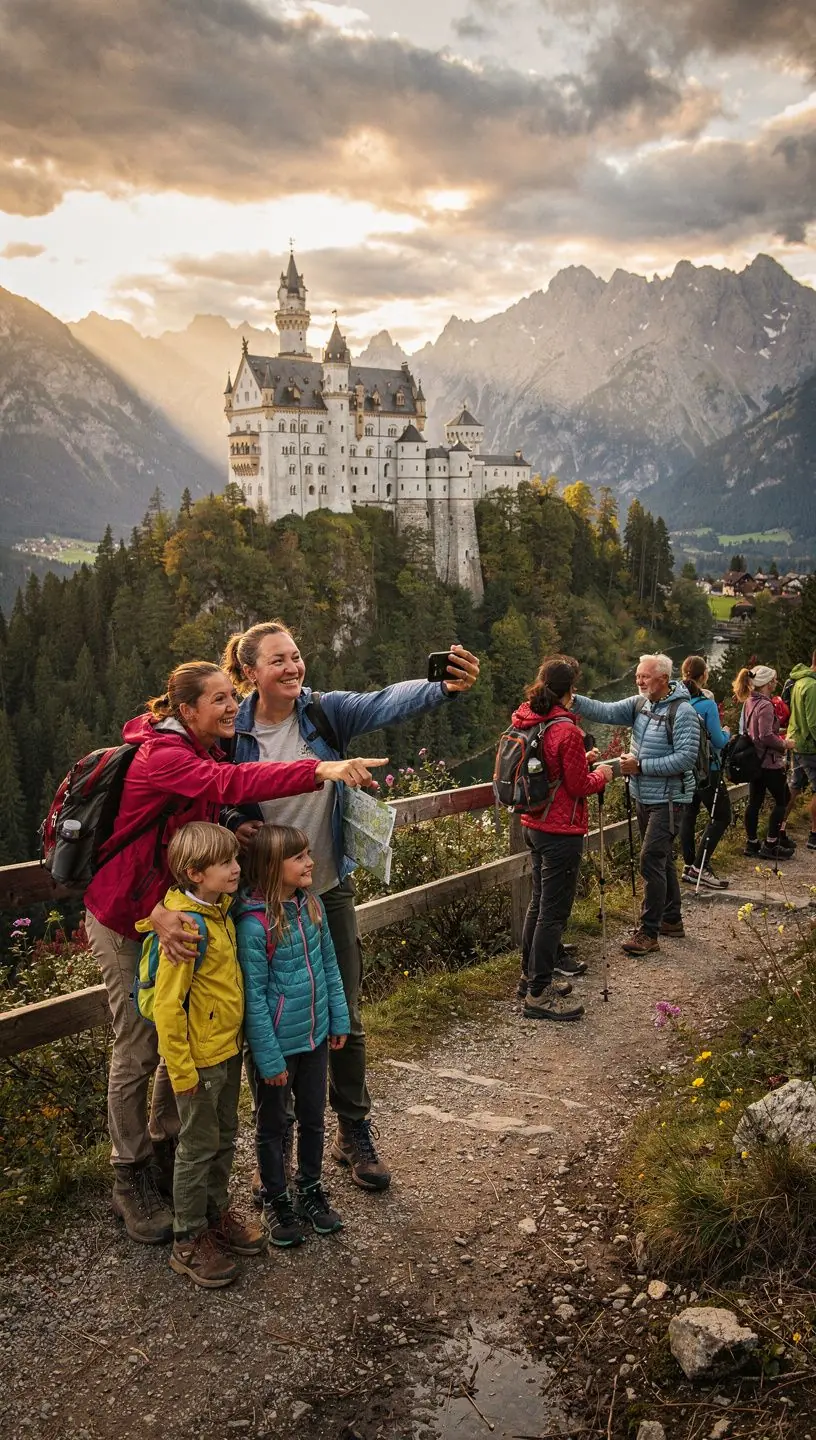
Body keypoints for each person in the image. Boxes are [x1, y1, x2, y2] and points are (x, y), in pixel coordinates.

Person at [84, 660, 385, 1245]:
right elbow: (230, 785)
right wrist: (319, 767)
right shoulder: (165, 756)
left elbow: (209, 807)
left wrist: (233, 828)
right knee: (140, 1045)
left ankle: (175, 1158)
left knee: (181, 1037)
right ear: (186, 710)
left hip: (178, 909)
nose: (232, 707)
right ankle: (130, 1175)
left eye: (233, 696)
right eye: (220, 699)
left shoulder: (204, 749)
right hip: (127, 915)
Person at [215, 620, 480, 1194]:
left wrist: (440, 688)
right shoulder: (231, 732)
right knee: (267, 1017)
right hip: (262, 902)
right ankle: (279, 1144)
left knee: (345, 1015)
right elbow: (211, 794)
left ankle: (352, 1129)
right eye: (278, 660)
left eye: (296, 655)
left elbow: (384, 701)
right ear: (249, 673)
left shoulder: (323, 713)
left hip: (327, 888)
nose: (293, 667)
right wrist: (235, 822)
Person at [136, 822, 267, 1288]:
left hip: (225, 1050)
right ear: (194, 873)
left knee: (225, 1135)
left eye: (235, 859)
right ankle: (188, 1239)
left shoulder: (219, 911)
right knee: (196, 1147)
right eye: (225, 862)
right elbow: (168, 1008)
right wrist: (181, 1070)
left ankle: (215, 1215)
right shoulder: (185, 928)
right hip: (198, 1062)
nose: (236, 868)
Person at [235, 823, 350, 1246]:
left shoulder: (312, 906)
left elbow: (330, 966)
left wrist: (338, 1019)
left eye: (308, 854)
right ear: (271, 865)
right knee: (273, 1124)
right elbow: (254, 999)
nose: (310, 862)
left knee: (314, 1117)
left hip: (315, 1036)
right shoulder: (254, 927)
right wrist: (268, 1059)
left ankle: (310, 1188)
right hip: (278, 1048)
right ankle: (275, 1197)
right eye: (299, 857)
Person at [572, 654, 699, 957]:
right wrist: (571, 699)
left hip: (670, 800)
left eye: (645, 676)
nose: (639, 681)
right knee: (661, 860)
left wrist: (641, 766)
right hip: (644, 796)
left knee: (650, 859)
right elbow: (604, 710)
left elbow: (686, 759)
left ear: (663, 679)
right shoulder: (641, 704)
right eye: (638, 676)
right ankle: (671, 919)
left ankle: (648, 932)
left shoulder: (683, 712)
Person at [512, 655, 612, 1021]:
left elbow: (550, 767)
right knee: (552, 914)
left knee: (539, 905)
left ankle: (529, 979)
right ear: (570, 690)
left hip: (533, 824)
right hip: (560, 831)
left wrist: (581, 758)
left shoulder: (528, 718)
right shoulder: (566, 729)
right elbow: (578, 785)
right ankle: (539, 994)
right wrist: (602, 774)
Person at [679, 656, 732, 890]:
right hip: (708, 769)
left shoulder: (677, 700)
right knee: (721, 816)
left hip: (685, 768)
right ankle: (700, 866)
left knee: (688, 814)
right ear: (704, 676)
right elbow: (718, 741)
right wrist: (727, 733)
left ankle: (689, 864)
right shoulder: (706, 704)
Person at [732, 666, 796, 859]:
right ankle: (771, 843)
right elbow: (765, 735)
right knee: (783, 799)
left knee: (754, 802)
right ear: (768, 683)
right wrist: (784, 744)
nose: (776, 682)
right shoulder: (766, 705)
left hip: (754, 761)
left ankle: (752, 843)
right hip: (769, 761)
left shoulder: (749, 701)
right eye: (774, 680)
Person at [784, 648, 816, 852]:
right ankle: (814, 834)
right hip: (810, 745)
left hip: (794, 740)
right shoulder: (812, 686)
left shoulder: (799, 681)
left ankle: (778, 828)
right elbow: (813, 722)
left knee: (794, 786)